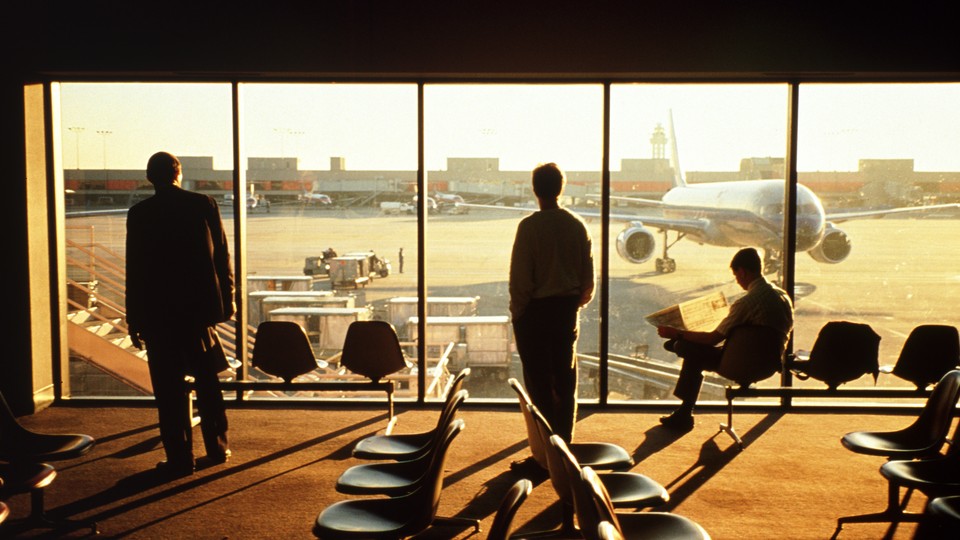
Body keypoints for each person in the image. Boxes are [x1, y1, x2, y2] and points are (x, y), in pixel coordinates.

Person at [126, 151, 235, 477]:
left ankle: (179, 459)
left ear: (150, 178)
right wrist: (226, 301)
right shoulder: (203, 204)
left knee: (169, 392)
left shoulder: (140, 213)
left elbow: (135, 270)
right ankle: (217, 449)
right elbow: (221, 257)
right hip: (197, 314)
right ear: (179, 173)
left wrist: (134, 318)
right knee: (207, 384)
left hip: (159, 316)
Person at [509, 163, 595, 474]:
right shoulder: (577, 225)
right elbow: (588, 282)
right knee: (565, 380)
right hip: (565, 311)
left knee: (539, 386)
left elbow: (520, 279)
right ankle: (564, 451)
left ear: (535, 189)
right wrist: (573, 305)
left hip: (534, 313)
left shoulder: (529, 227)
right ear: (562, 187)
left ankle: (543, 457)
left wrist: (519, 314)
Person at [656, 247, 793, 430]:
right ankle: (683, 410)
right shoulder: (782, 295)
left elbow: (713, 339)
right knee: (685, 346)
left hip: (741, 363)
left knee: (687, 349)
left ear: (742, 272)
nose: (737, 282)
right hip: (769, 363)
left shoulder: (746, 302)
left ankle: (685, 412)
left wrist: (676, 333)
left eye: (736, 276)